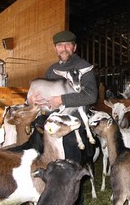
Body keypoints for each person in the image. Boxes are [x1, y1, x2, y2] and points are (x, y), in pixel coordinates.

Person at [29, 30, 98, 204]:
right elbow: (42, 92)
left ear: (74, 47)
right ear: (55, 48)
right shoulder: (52, 70)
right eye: (60, 45)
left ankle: (75, 201)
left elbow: (91, 96)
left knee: (71, 170)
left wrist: (62, 99)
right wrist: (31, 99)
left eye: (68, 45)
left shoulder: (84, 67)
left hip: (73, 128)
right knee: (49, 166)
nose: (64, 48)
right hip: (52, 127)